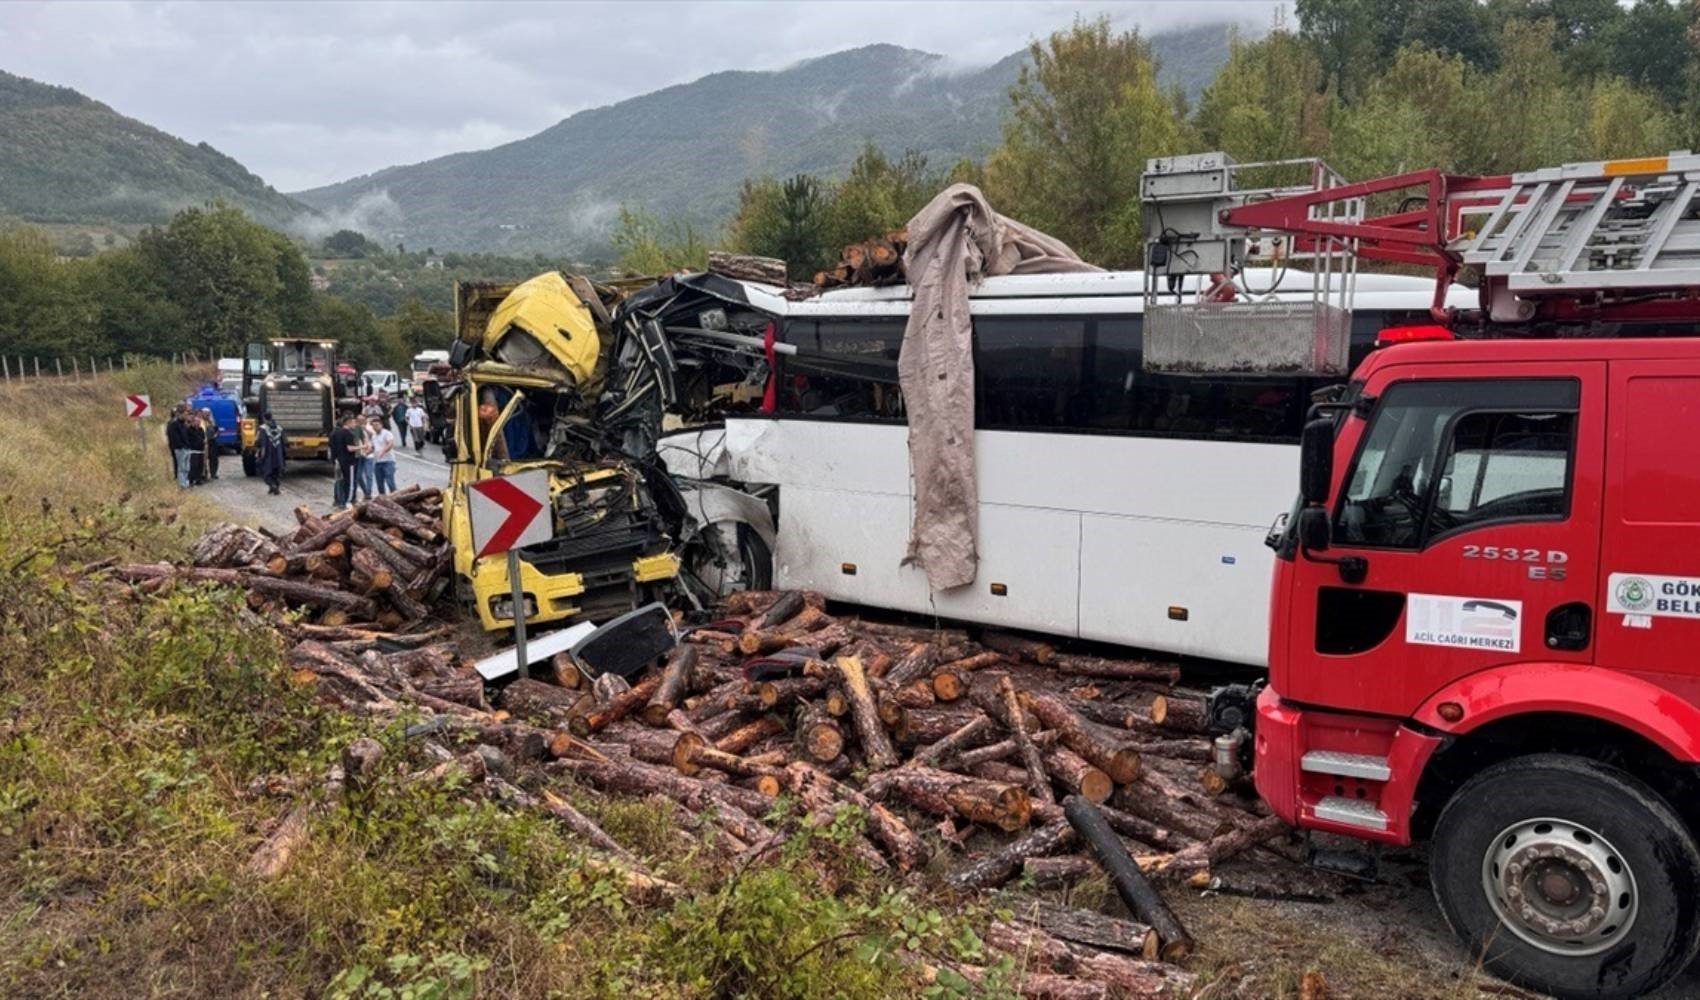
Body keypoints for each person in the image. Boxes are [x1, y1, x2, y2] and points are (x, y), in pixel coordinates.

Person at [329, 415, 359, 509]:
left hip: (339, 460)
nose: (355, 424)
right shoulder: (348, 434)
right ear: (348, 422)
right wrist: (363, 447)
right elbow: (350, 448)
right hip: (349, 461)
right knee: (349, 482)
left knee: (340, 481)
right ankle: (348, 500)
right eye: (353, 422)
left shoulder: (336, 433)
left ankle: (339, 500)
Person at [256, 412, 286, 495]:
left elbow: (258, 442)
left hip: (267, 454)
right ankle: (275, 487)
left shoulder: (262, 429)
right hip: (278, 454)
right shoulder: (280, 428)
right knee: (277, 471)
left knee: (266, 471)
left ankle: (273, 486)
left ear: (264, 418)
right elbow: (285, 441)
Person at [368, 416, 398, 495]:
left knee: (390, 481)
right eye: (373, 425)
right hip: (378, 462)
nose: (375, 427)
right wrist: (367, 452)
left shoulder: (387, 433)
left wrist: (383, 451)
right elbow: (373, 447)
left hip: (388, 461)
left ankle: (395, 496)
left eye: (377, 425)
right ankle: (382, 498)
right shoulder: (374, 436)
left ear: (381, 425)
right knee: (379, 482)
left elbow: (390, 444)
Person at [166, 405, 191, 487]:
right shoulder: (174, 424)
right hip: (179, 449)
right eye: (185, 414)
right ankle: (181, 484)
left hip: (187, 448)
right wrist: (181, 446)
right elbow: (174, 437)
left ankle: (186, 481)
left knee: (187, 467)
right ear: (180, 414)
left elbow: (186, 436)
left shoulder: (183, 424)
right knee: (181, 467)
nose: (186, 416)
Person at [183, 409, 208, 486]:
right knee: (193, 466)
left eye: (199, 422)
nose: (198, 423)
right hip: (193, 450)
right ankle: (191, 480)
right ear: (193, 422)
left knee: (200, 466)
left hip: (201, 450)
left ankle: (198, 479)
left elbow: (203, 437)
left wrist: (203, 442)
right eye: (196, 422)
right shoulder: (189, 430)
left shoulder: (201, 430)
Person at [200, 408, 220, 480]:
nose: (207, 415)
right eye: (205, 413)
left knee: (214, 458)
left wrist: (216, 434)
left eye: (208, 413)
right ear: (202, 413)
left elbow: (216, 429)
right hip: (204, 441)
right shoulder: (200, 422)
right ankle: (204, 474)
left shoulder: (211, 421)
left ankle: (213, 473)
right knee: (203, 459)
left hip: (212, 441)